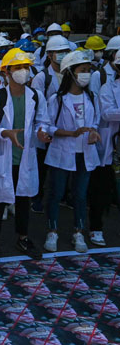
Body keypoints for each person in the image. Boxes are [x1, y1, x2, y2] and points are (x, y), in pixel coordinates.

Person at [0, 49, 51, 262]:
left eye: (26, 67)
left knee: (23, 199)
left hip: (25, 157)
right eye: (18, 67)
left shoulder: (36, 96)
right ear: (6, 71)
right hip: (4, 157)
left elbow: (43, 120)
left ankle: (23, 237)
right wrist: (4, 132)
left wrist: (42, 131)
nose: (23, 71)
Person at [43, 50, 101, 253]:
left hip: (84, 154)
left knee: (80, 195)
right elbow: (47, 126)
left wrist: (93, 133)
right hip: (63, 152)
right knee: (56, 193)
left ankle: (78, 232)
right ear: (70, 73)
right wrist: (70, 133)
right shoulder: (57, 99)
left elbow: (95, 122)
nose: (86, 74)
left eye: (88, 70)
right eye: (82, 70)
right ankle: (52, 231)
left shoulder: (92, 97)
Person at [30, 35, 71, 212]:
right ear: (49, 55)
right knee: (41, 167)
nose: (62, 55)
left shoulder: (71, 75)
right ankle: (36, 198)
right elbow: (36, 105)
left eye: (65, 52)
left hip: (64, 129)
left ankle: (59, 196)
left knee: (60, 166)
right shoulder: (42, 77)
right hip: (45, 128)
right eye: (58, 52)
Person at [96, 49, 120, 246]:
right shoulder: (108, 88)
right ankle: (97, 229)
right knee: (103, 190)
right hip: (112, 148)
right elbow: (107, 114)